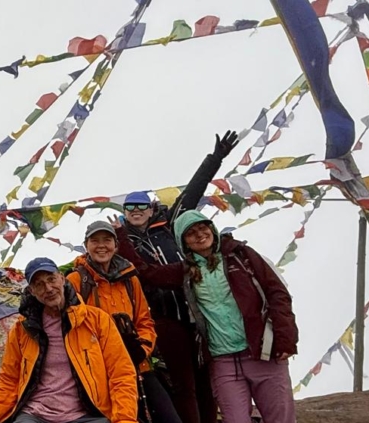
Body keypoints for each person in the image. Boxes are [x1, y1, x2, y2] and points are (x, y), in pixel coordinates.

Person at [109, 130, 239, 423]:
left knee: (206, 378)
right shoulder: (121, 241)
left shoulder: (169, 225)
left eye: (142, 205)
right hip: (163, 315)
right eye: (130, 207)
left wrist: (215, 158)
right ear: (124, 213)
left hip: (196, 309)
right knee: (184, 383)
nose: (137, 210)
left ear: (152, 207)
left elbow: (193, 192)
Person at [137, 211, 298, 423]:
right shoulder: (186, 271)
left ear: (212, 229)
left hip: (263, 353)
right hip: (223, 361)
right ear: (183, 242)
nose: (199, 235)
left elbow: (277, 293)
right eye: (191, 233)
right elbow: (148, 273)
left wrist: (286, 337)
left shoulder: (241, 255)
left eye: (203, 228)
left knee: (280, 419)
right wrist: (120, 236)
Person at [0, 257, 139, 423]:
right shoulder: (23, 329)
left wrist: (125, 419)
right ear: (31, 290)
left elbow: (121, 374)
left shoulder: (97, 320)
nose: (48, 288)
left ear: (62, 279)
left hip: (87, 415)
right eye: (39, 284)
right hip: (35, 415)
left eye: (51, 279)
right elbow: (8, 383)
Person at [68, 221, 179, 423]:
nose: (101, 246)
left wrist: (141, 348)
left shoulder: (130, 278)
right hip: (99, 373)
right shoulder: (76, 281)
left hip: (138, 365)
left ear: (116, 245)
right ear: (86, 245)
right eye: (95, 240)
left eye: (107, 240)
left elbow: (144, 321)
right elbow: (72, 328)